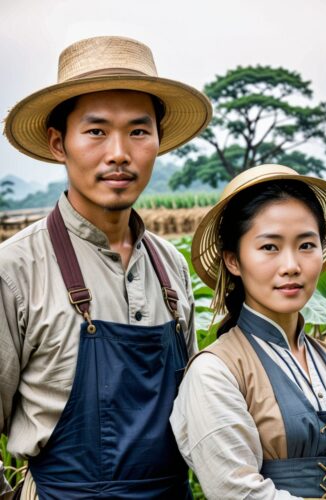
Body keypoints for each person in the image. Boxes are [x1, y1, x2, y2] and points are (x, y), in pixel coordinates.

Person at [0, 35, 212, 499]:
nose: (119, 152)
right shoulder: (14, 270)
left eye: (138, 131)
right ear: (59, 143)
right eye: (96, 131)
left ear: (158, 141)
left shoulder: (171, 268)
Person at [171, 164, 326, 499]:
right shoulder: (216, 372)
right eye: (270, 247)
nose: (292, 265)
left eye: (307, 245)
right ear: (233, 261)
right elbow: (235, 490)